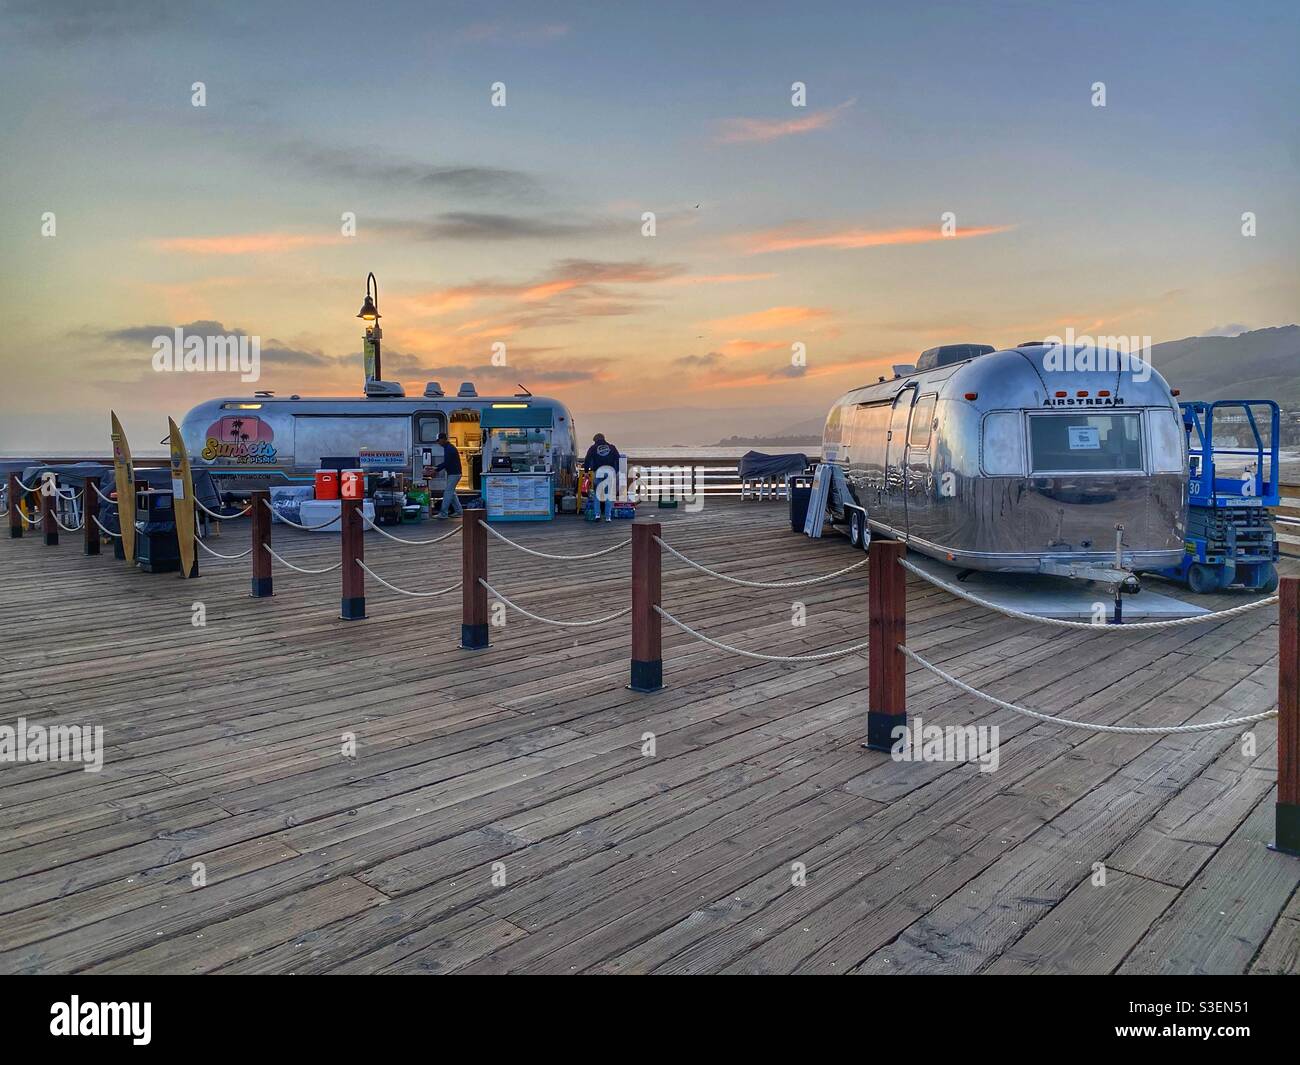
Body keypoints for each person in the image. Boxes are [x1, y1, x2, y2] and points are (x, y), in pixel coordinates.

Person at [582, 432, 620, 522]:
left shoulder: (593, 448)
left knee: (597, 495)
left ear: (595, 440)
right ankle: (608, 516)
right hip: (610, 472)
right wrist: (616, 471)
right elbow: (618, 460)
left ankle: (597, 515)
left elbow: (587, 460)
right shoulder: (612, 447)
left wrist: (586, 471)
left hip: (599, 472)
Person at [432, 432, 464, 519]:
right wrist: (436, 468)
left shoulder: (449, 449)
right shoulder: (449, 448)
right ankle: (459, 511)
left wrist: (436, 469)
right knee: (452, 493)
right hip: (455, 473)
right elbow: (447, 463)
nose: (438, 443)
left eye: (438, 440)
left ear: (443, 439)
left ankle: (443, 513)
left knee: (447, 492)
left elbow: (447, 463)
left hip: (454, 474)